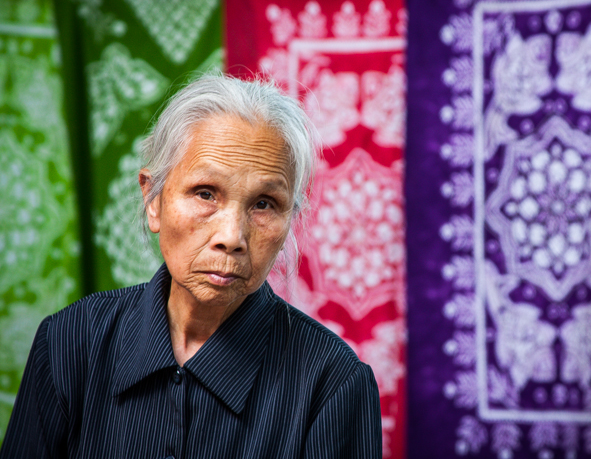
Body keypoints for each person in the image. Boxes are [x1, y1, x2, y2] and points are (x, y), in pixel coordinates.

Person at [0, 75, 382, 459]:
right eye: (205, 193)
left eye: (264, 204)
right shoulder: (68, 343)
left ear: (289, 221)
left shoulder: (332, 384)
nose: (232, 237)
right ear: (153, 200)